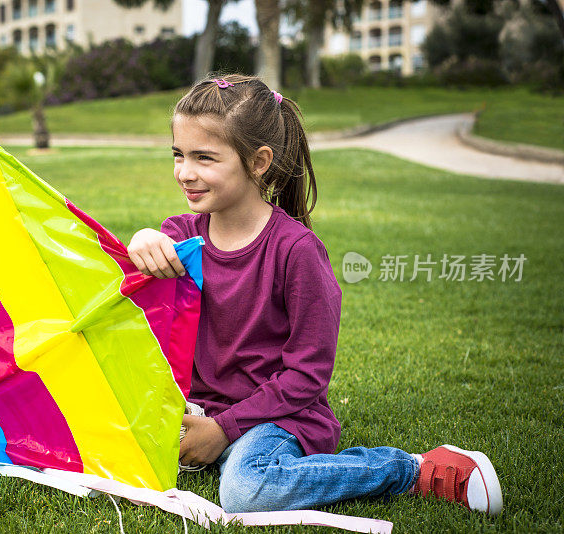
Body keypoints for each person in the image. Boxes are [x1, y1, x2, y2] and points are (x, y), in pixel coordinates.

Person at [127, 74, 503, 516]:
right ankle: (223, 451)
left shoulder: (296, 251)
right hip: (199, 411)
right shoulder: (180, 237)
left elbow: (307, 376)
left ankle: (410, 469)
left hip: (278, 417)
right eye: (179, 155)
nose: (185, 173)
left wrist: (224, 429)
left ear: (259, 161)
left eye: (204, 158)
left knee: (246, 492)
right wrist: (141, 240)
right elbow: (144, 299)